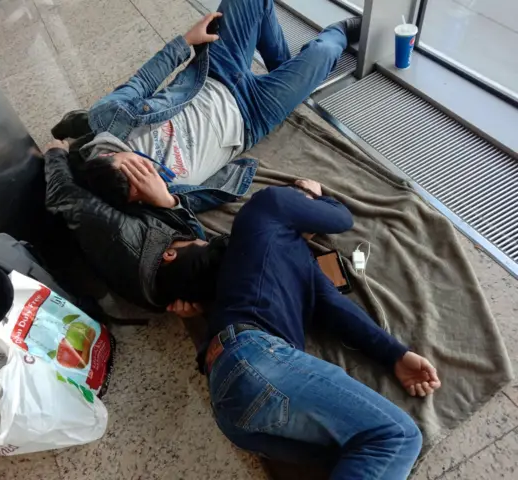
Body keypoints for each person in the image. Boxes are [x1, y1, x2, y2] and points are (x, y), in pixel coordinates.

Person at [184, 181, 441, 479]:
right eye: (307, 203)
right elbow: (342, 219)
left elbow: (338, 311)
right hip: (254, 362)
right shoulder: (267, 203)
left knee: (359, 453)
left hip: (235, 407)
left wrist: (395, 356)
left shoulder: (301, 259)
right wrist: (321, 194)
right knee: (395, 437)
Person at [52, 0, 360, 211]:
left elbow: (144, 79)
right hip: (253, 115)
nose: (147, 168)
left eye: (135, 162)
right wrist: (168, 202)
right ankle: (338, 34)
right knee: (324, 51)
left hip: (214, 74)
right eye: (143, 175)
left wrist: (185, 41)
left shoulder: (109, 119)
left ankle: (284, 69)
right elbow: (191, 237)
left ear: (110, 153)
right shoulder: (156, 202)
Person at [42, 139, 229, 310]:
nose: (198, 237)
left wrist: (55, 153)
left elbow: (63, 194)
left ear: (170, 254)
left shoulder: (117, 232)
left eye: (199, 242)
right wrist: (168, 202)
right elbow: (189, 230)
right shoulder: (169, 289)